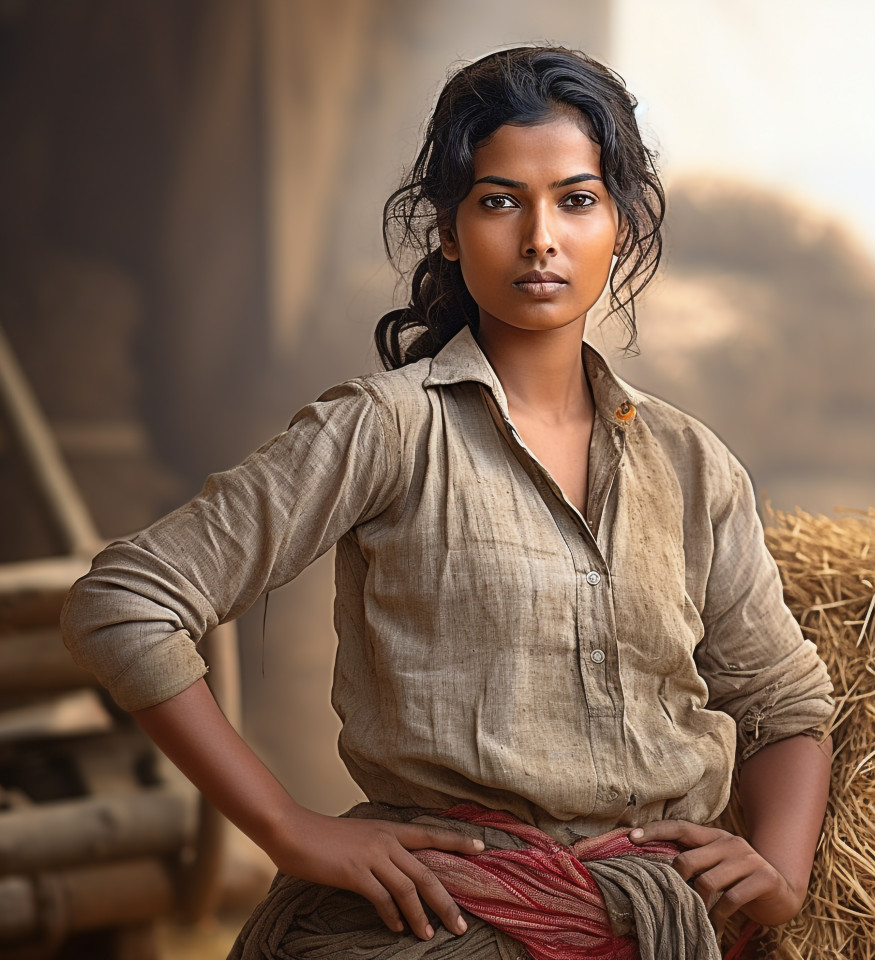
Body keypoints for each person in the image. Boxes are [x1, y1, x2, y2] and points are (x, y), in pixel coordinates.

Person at [61, 45, 834, 960]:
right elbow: (126, 603)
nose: (540, 236)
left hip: (664, 933)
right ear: (447, 228)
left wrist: (779, 872)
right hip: (437, 929)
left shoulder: (693, 464)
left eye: (577, 200)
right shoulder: (387, 429)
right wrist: (284, 825)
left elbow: (783, 704)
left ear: (622, 224)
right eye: (501, 200)